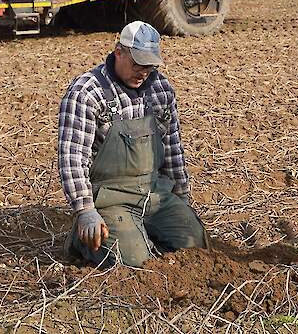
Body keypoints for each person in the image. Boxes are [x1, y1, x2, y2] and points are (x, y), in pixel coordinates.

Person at [57, 21, 208, 267]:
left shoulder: (161, 90)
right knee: (133, 262)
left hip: (153, 192)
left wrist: (182, 198)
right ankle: (83, 239)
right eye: (138, 63)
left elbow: (172, 149)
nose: (143, 72)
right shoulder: (87, 93)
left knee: (194, 244)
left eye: (149, 66)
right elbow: (72, 159)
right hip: (109, 197)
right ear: (119, 52)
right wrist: (85, 211)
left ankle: (143, 232)